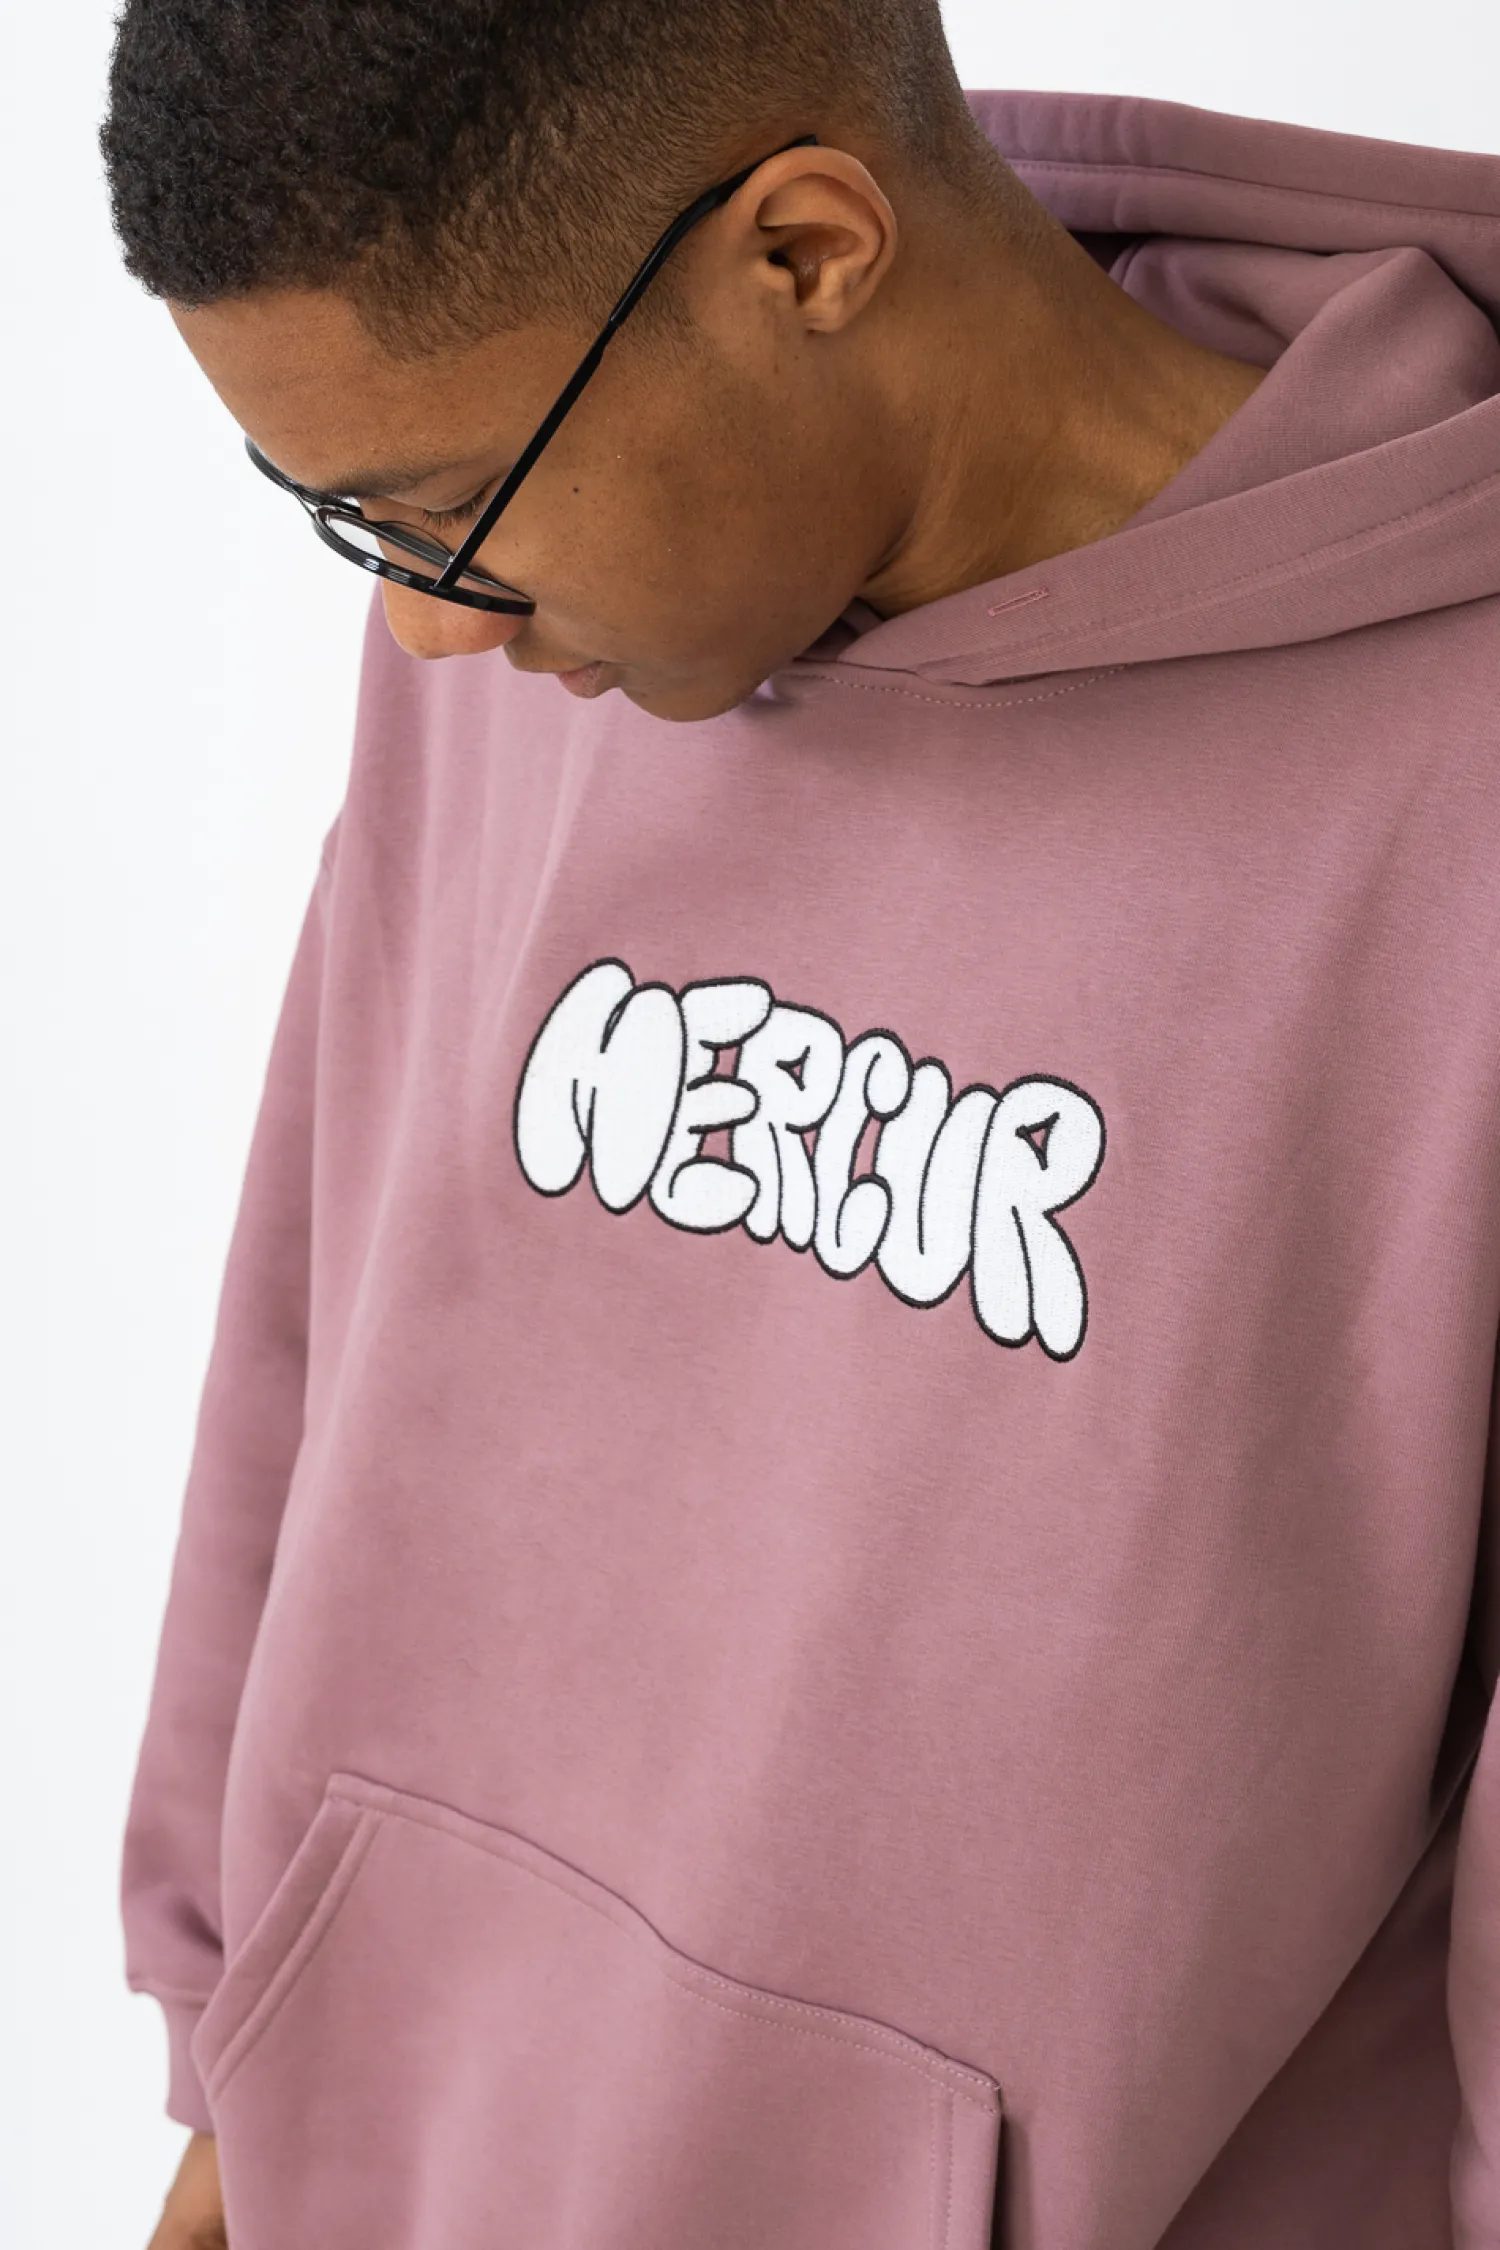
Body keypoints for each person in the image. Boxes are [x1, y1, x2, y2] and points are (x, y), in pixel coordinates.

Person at [100, 2, 1500, 2245]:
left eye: (445, 506)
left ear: (806, 254)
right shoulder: (543, 629)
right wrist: (234, 2056)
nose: (423, 624)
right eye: (348, 516)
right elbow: (324, 1294)